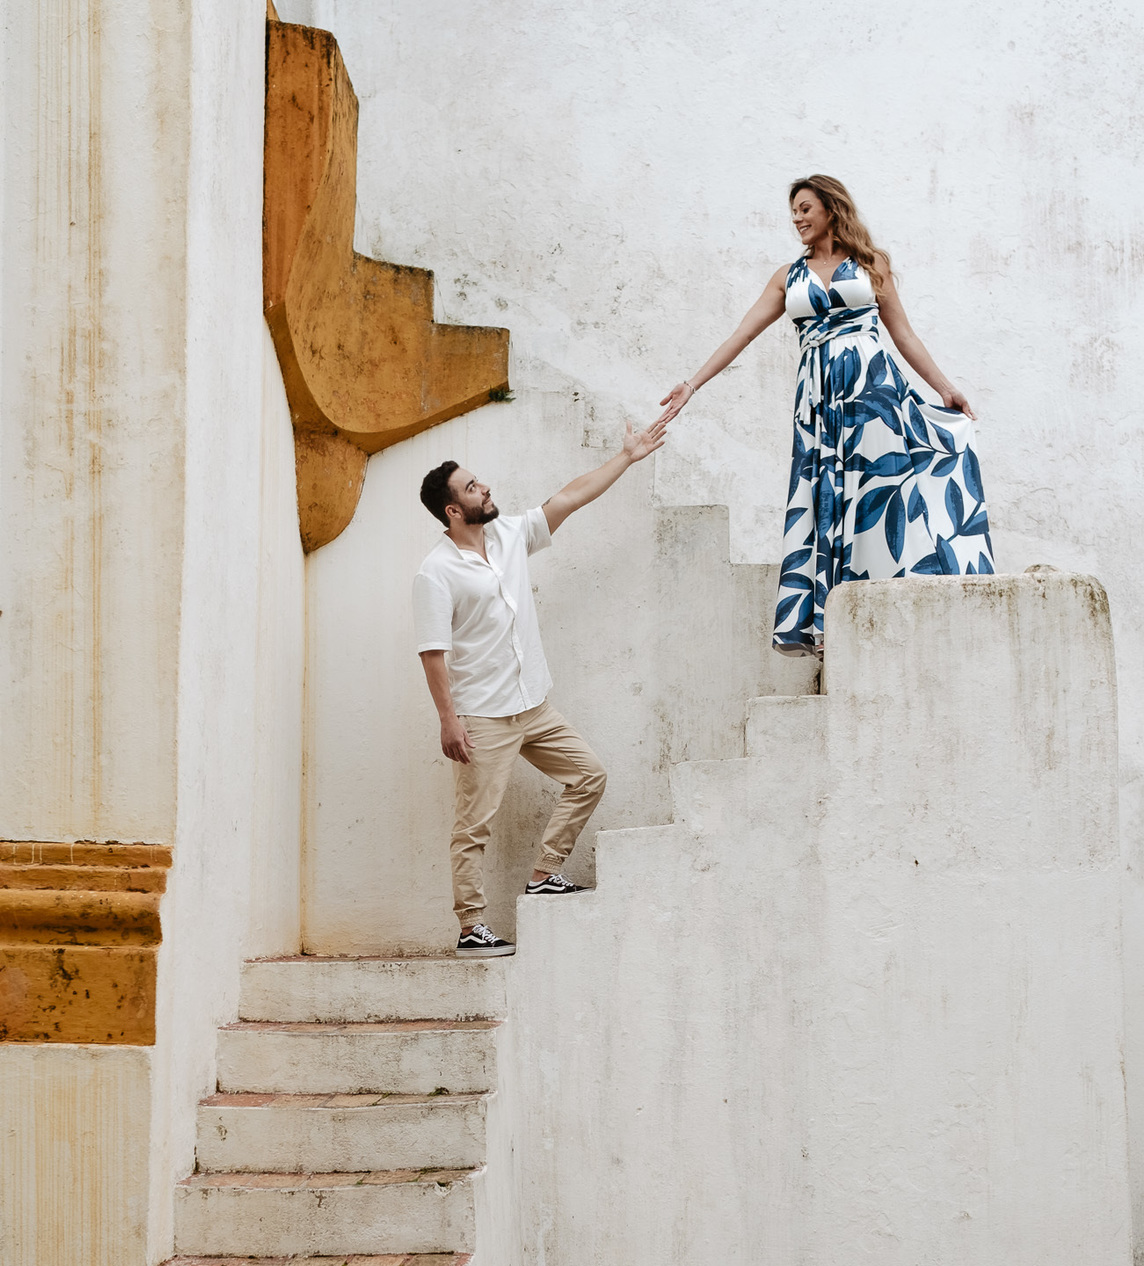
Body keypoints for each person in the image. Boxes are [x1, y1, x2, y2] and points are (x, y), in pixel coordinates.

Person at [658, 174, 994, 658]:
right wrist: (692, 384)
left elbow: (905, 335)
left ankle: (894, 594)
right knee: (824, 492)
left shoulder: (871, 264)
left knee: (878, 488)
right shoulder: (786, 276)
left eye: (804, 208)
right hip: (818, 401)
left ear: (831, 210)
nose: (796, 218)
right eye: (793, 210)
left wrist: (946, 388)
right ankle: (829, 617)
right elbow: (741, 335)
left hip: (872, 392)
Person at [415, 420, 666, 957]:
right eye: (471, 487)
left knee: (589, 776)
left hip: (533, 704)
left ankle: (545, 872)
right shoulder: (435, 573)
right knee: (473, 827)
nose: (485, 489)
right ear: (452, 510)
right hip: (482, 717)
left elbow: (571, 497)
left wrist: (626, 457)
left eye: (479, 481)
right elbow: (433, 655)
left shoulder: (508, 536)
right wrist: (448, 721)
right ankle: (470, 927)